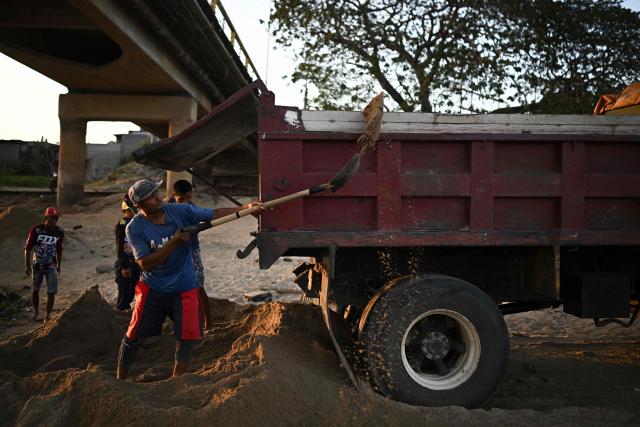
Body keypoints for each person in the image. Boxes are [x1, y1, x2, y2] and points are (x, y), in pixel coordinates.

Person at [117, 179, 264, 380]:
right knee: (132, 337)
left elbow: (213, 214)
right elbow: (145, 264)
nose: (157, 198)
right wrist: (175, 241)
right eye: (150, 197)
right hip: (153, 287)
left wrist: (245, 208)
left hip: (184, 285)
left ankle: (177, 379)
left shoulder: (180, 211)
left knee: (187, 338)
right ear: (140, 205)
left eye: (156, 192)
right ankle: (120, 379)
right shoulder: (135, 227)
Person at [171, 179, 212, 330]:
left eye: (187, 198)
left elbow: (209, 217)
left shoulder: (193, 209)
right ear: (174, 196)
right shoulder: (167, 207)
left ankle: (208, 321)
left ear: (191, 195)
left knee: (198, 286)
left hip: (191, 251)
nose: (184, 202)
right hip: (171, 250)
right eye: (181, 199)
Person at [24, 206, 64, 322]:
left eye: (55, 219)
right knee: (35, 290)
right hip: (37, 264)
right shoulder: (36, 230)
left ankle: (47, 315)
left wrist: (59, 266)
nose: (53, 221)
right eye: (51, 218)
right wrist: (27, 265)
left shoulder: (59, 232)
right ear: (46, 217)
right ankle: (36, 312)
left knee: (51, 291)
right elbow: (28, 248)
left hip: (51, 265)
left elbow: (59, 249)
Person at [114, 195, 140, 310]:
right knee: (124, 293)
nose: (131, 212)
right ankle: (120, 314)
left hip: (135, 262)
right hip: (124, 263)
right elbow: (120, 247)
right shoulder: (121, 224)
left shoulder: (137, 222)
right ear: (124, 211)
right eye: (128, 211)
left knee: (131, 292)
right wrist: (124, 266)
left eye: (132, 210)